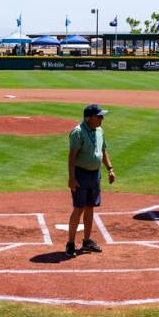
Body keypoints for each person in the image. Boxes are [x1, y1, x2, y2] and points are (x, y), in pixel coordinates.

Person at [65, 104, 116, 258]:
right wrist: (72, 178)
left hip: (95, 175)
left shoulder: (99, 131)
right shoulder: (78, 132)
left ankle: (86, 240)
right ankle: (70, 243)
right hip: (80, 175)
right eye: (99, 116)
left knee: (90, 207)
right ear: (88, 118)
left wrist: (110, 169)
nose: (102, 119)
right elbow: (72, 157)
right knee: (79, 208)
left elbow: (103, 151)